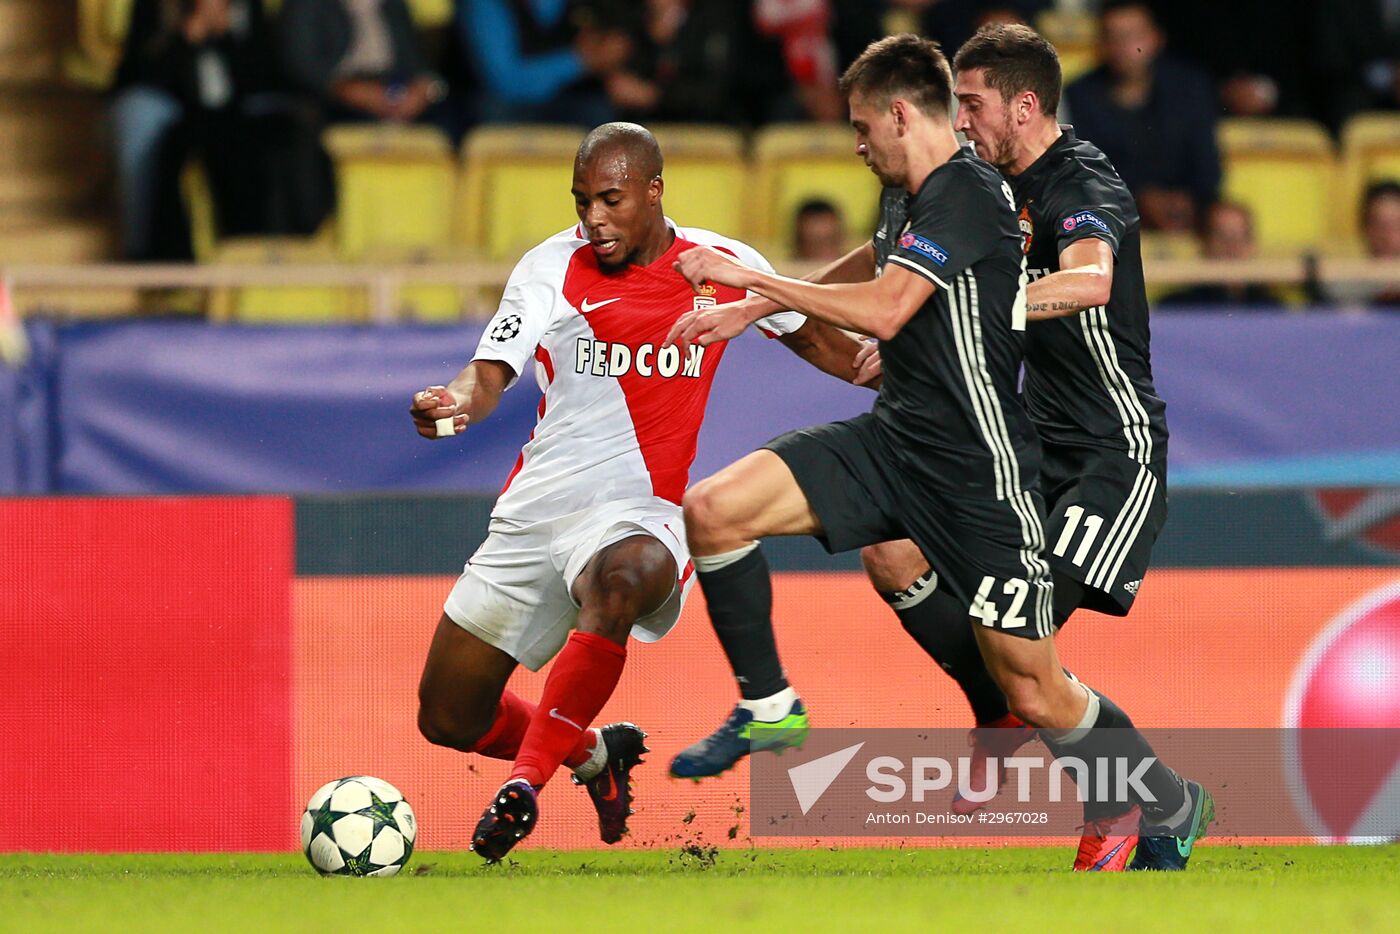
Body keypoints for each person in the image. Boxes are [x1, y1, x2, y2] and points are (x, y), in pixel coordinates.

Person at [662, 32, 1209, 873]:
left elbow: (1090, 279)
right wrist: (771, 308)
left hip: (1104, 454)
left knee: (1028, 670)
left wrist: (973, 307)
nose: (960, 117)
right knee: (880, 554)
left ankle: (1144, 796)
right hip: (989, 435)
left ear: (1023, 106)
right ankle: (966, 715)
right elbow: (885, 263)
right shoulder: (952, 183)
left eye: (974, 104)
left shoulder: (1076, 183)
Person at [411, 122, 873, 863]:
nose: (593, 218)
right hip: (539, 513)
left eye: (610, 200)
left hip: (642, 512)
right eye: (582, 201)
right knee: (448, 717)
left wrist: (929, 380)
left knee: (625, 578)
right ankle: (594, 755)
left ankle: (524, 786)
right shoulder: (549, 266)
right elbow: (489, 372)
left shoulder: (722, 265)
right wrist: (454, 402)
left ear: (654, 191)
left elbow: (834, 351)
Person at [1063, 1, 1220, 233]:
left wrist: (1187, 199)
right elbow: (1086, 172)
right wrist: (1138, 198)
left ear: (1156, 38)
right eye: (1113, 37)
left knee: (1228, 220)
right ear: (1101, 44)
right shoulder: (1079, 95)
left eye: (1132, 36)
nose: (1123, 47)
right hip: (1112, 209)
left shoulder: (1190, 88)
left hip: (1191, 208)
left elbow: (1207, 164)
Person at [456, 0, 632, 126]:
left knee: (604, 116)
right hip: (505, 107)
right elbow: (506, 81)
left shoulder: (588, 6)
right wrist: (580, 61)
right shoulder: (486, 5)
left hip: (574, 101)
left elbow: (619, 45)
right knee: (494, 112)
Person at [279, 0, 446, 124]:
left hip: (393, 89)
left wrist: (424, 91)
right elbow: (301, 66)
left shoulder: (392, 4)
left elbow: (419, 64)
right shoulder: (307, 4)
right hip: (334, 98)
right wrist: (343, 89)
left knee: (445, 115)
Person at [1159, 201, 1282, 308]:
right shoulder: (1176, 308)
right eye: (1221, 236)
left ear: (1252, 246)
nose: (1232, 247)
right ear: (1206, 243)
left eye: (1240, 237)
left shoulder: (1273, 311)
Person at [1327, 180, 1400, 307]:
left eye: (1396, 225)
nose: (1388, 236)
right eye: (1380, 225)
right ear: (1364, 228)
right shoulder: (1342, 290)